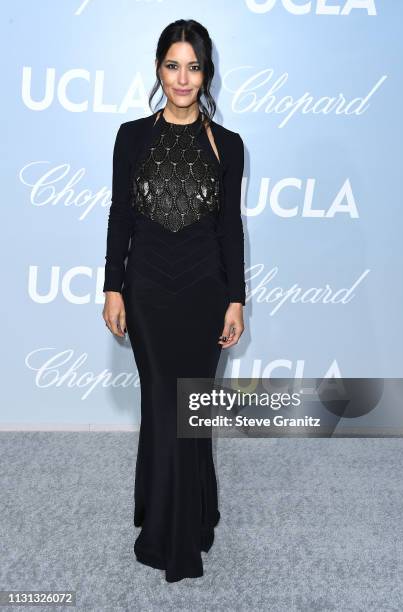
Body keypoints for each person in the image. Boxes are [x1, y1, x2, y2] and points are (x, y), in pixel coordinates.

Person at [102, 19, 246, 583]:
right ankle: (165, 524)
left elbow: (230, 228)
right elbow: (121, 216)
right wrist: (113, 285)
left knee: (193, 409)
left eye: (193, 66)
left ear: (207, 73)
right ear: (158, 69)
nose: (182, 78)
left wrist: (236, 299)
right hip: (149, 293)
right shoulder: (131, 136)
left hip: (205, 291)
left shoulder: (228, 144)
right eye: (172, 65)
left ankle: (194, 514)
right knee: (165, 403)